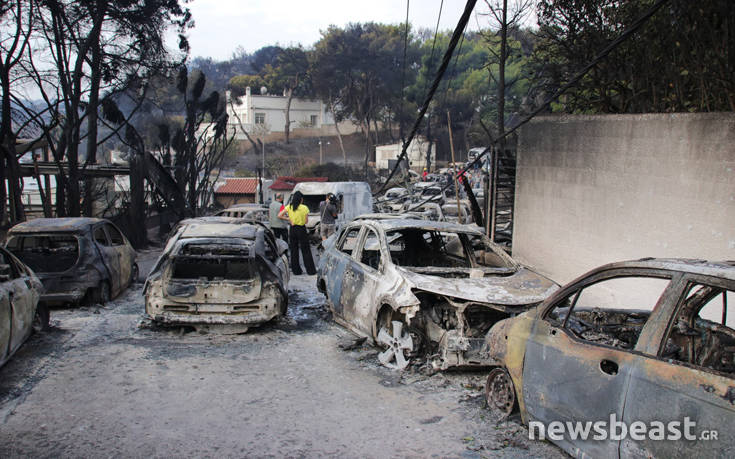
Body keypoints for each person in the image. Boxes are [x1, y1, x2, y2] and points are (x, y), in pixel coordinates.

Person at [278, 191, 316, 275]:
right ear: (301, 199)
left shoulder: (289, 206)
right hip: (301, 229)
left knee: (294, 250)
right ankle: (310, 271)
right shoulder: (304, 208)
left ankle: (296, 271)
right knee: (305, 250)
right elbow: (306, 221)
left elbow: (279, 215)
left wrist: (289, 219)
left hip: (292, 229)